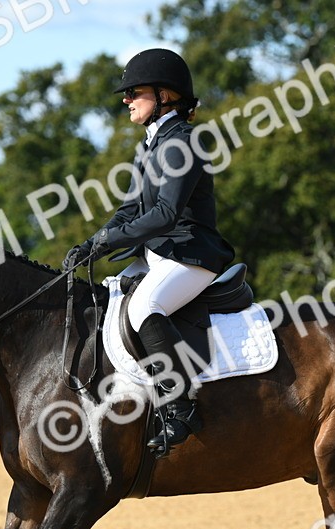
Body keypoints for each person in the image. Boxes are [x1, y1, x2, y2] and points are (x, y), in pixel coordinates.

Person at [64, 48, 235, 455]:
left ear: (165, 96)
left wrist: (110, 241)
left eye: (135, 92)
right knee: (107, 303)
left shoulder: (184, 144)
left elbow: (164, 214)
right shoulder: (150, 146)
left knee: (144, 309)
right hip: (159, 255)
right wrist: (93, 243)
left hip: (190, 255)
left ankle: (180, 407)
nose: (126, 100)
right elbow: (130, 210)